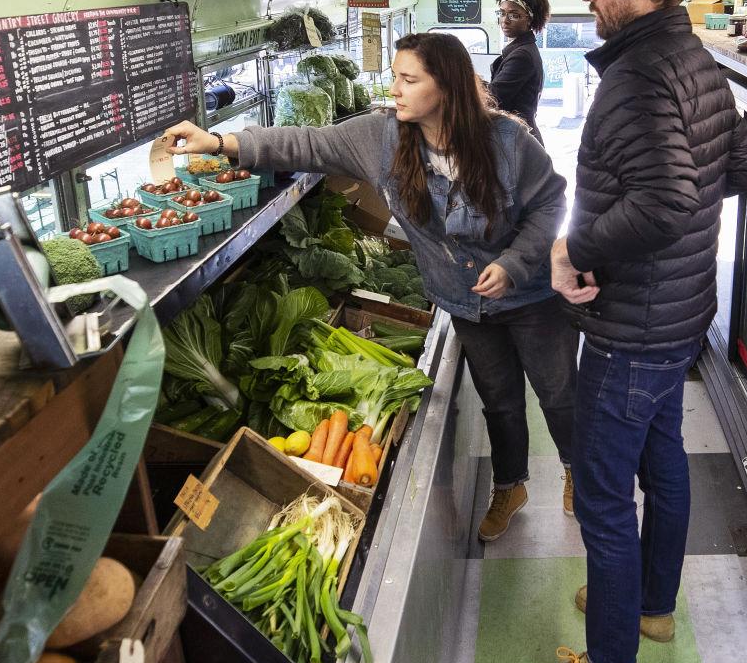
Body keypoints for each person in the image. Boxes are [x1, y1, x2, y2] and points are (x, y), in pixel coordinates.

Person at [160, 32, 577, 543]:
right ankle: (511, 486)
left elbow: (551, 204)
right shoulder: (381, 138)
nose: (395, 89)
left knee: (559, 395)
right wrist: (224, 143)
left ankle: (581, 471)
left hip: (531, 295)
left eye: (409, 79)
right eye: (395, 77)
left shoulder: (508, 142)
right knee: (501, 400)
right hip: (465, 303)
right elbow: (308, 143)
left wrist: (515, 262)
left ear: (444, 87)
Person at [517, 0, 747, 663]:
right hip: (681, 311)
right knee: (663, 466)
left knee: (599, 494)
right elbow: (737, 164)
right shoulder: (695, 58)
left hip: (632, 327)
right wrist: (673, 234)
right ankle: (650, 608)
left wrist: (572, 252)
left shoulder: (636, 75)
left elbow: (662, 201)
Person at [487, 0, 550, 141]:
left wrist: (464, 80)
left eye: (514, 15)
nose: (505, 20)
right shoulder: (522, 49)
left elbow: (494, 97)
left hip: (519, 140)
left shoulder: (522, 55)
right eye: (502, 13)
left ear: (529, 19)